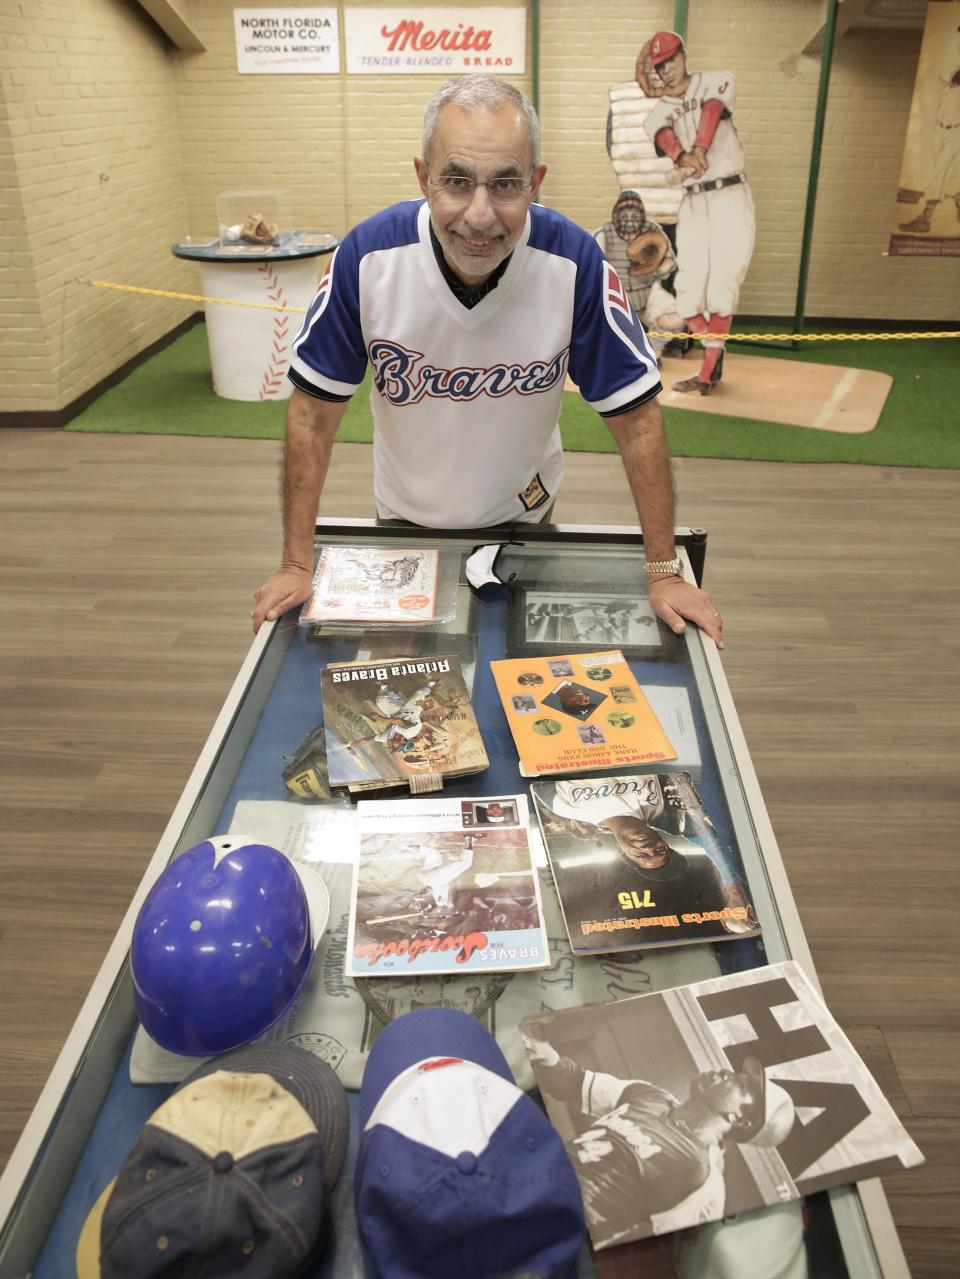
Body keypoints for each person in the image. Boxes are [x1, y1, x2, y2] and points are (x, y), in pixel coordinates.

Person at [252, 75, 722, 647]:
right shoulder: (367, 258)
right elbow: (311, 417)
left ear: (535, 184)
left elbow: (637, 421)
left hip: (527, 519)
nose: (479, 215)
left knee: (510, 670)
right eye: (456, 181)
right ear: (423, 178)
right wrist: (298, 564)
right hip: (404, 519)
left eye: (505, 185)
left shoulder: (574, 262)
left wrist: (663, 571)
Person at [524, 1036, 795, 1242]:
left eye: (742, 1085)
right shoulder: (651, 1095)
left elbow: (652, 1251)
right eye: (738, 1073)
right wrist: (549, 1059)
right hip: (529, 1176)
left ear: (740, 1119)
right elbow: (573, 1082)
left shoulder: (702, 1177)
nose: (728, 1073)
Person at [642, 31, 755, 396]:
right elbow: (662, 134)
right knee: (689, 290)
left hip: (729, 194)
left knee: (723, 282)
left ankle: (707, 372)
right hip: (693, 200)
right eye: (660, 66)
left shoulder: (717, 80)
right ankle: (714, 351)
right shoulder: (657, 112)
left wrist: (701, 149)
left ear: (683, 56)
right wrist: (682, 157)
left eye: (671, 61)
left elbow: (711, 110)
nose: (666, 70)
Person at [593, 190, 685, 360]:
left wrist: (655, 264)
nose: (629, 221)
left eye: (634, 216)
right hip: (615, 294)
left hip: (646, 290)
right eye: (625, 215)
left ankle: (652, 352)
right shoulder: (603, 235)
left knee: (675, 318)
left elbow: (670, 264)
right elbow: (591, 270)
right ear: (616, 213)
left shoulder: (653, 231)